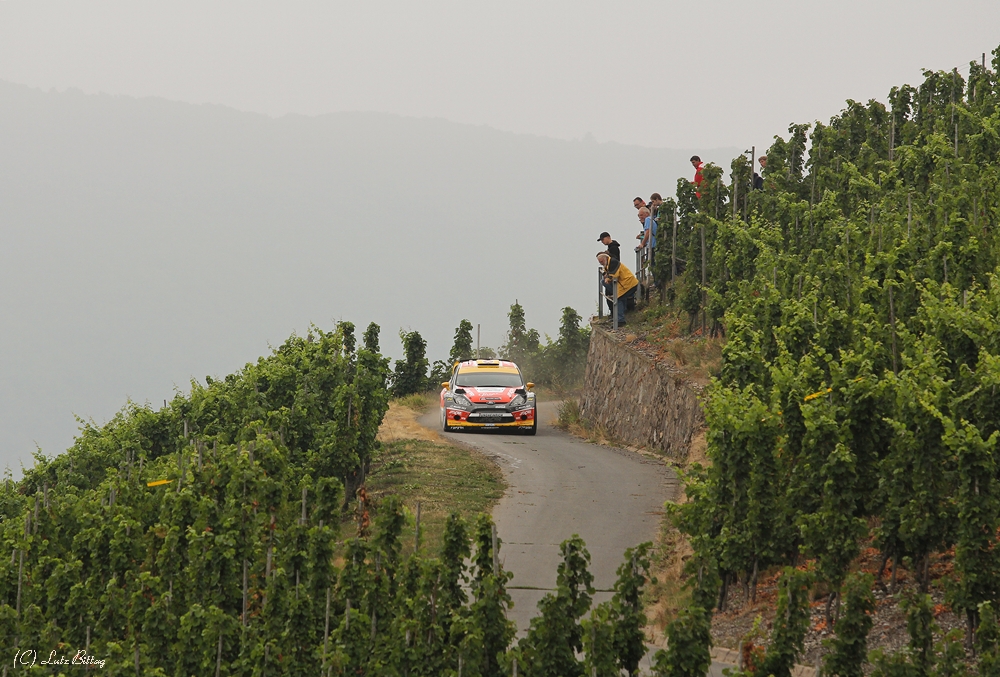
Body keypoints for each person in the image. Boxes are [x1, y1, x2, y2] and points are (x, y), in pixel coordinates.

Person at [597, 253, 637, 326]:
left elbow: (614, 275)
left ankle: (620, 320)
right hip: (623, 284)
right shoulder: (608, 263)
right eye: (600, 262)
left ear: (605, 259)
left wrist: (608, 278)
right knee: (603, 282)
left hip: (628, 284)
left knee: (618, 298)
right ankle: (621, 313)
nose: (601, 263)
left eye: (601, 261)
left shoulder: (613, 262)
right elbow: (607, 272)